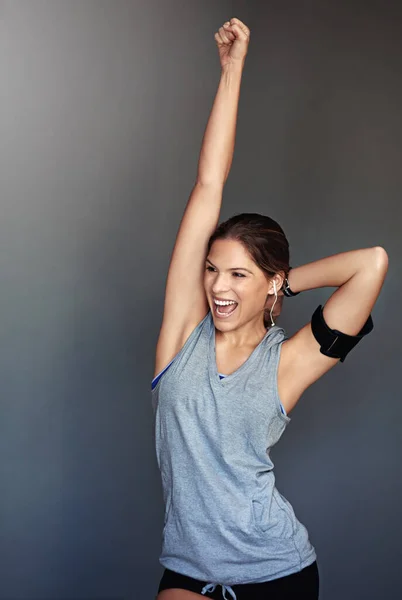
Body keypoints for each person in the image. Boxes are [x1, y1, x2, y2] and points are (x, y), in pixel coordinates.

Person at [151, 17, 388, 600]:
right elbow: (210, 183)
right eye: (212, 270)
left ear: (269, 283)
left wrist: (282, 287)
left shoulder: (289, 362)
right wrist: (231, 70)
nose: (217, 286)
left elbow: (372, 263)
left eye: (237, 274)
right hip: (189, 566)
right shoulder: (183, 334)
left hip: (277, 571)